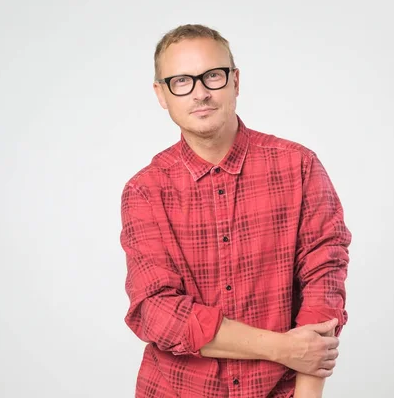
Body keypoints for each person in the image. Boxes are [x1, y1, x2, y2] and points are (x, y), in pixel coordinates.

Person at [120, 24, 352, 398]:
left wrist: (308, 391)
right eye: (181, 81)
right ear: (161, 94)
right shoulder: (145, 190)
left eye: (213, 76)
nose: (201, 93)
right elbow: (158, 312)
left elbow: (324, 280)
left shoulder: (298, 166)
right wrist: (283, 349)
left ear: (235, 81)